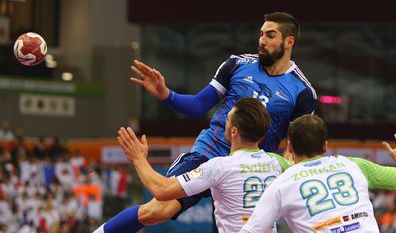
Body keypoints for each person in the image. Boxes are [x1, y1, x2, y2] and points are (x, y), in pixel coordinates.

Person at [99, 11, 316, 231]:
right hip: (209, 153)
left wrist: (285, 172)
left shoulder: (302, 91)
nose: (262, 40)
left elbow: (295, 145)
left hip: (250, 170)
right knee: (158, 210)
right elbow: (198, 106)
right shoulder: (237, 65)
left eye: (270, 35)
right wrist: (166, 94)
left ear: (289, 42)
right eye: (261, 34)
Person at [95, 98, 291, 233]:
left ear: (233, 132)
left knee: (157, 209)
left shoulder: (218, 166)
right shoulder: (276, 162)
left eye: (227, 119)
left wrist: (138, 159)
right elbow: (300, 167)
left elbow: (162, 190)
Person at [240, 114, 396, 233]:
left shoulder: (281, 183)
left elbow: (251, 230)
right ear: (325, 146)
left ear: (291, 147)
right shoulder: (352, 165)